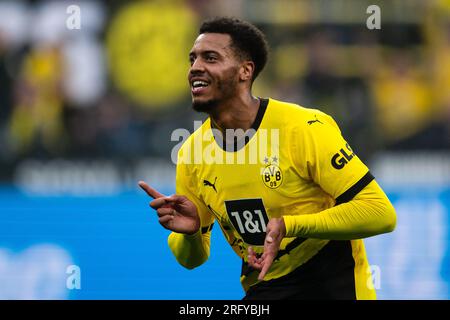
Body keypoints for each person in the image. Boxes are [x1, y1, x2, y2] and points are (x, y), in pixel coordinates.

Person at [139, 17, 396, 300]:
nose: (195, 68)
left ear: (245, 71)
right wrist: (190, 234)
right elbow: (192, 260)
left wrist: (291, 225)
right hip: (265, 285)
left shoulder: (304, 127)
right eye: (193, 59)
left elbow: (380, 213)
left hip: (332, 279)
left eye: (210, 58)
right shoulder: (191, 153)